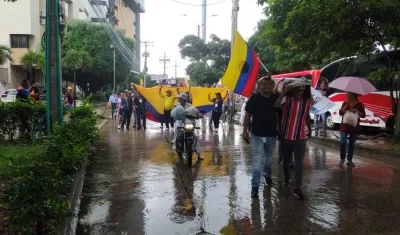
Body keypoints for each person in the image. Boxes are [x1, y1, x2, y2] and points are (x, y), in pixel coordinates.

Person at [274, 77, 313, 200]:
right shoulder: (287, 101)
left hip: (300, 137)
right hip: (286, 136)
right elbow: (276, 105)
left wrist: (309, 129)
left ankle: (298, 188)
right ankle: (287, 178)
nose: (299, 93)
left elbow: (306, 117)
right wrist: (285, 91)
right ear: (293, 91)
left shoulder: (307, 102)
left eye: (301, 91)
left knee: (299, 162)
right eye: (297, 90)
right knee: (286, 161)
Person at [242, 77, 280, 199]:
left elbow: (280, 111)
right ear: (259, 86)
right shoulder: (254, 98)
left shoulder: (275, 98)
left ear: (272, 86)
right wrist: (245, 131)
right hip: (257, 134)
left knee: (268, 160)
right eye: (263, 84)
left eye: (269, 85)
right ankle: (255, 187)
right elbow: (248, 114)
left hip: (271, 134)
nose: (266, 87)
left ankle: (267, 175)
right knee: (257, 162)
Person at [171, 93, 203, 160]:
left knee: (195, 136)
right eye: (178, 98)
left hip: (188, 123)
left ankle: (199, 153)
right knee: (176, 130)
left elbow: (195, 111)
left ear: (183, 99)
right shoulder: (177, 105)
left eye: (180, 98)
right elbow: (174, 111)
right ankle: (175, 144)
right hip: (180, 122)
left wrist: (199, 114)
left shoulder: (190, 105)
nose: (178, 99)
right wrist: (173, 114)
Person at [338, 92, 366, 167]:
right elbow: (340, 112)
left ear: (353, 95)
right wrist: (347, 104)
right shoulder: (345, 103)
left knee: (352, 144)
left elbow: (363, 115)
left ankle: (349, 160)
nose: (347, 95)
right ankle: (342, 158)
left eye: (349, 93)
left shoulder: (360, 104)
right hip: (344, 126)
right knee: (343, 142)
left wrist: (357, 111)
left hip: (354, 126)